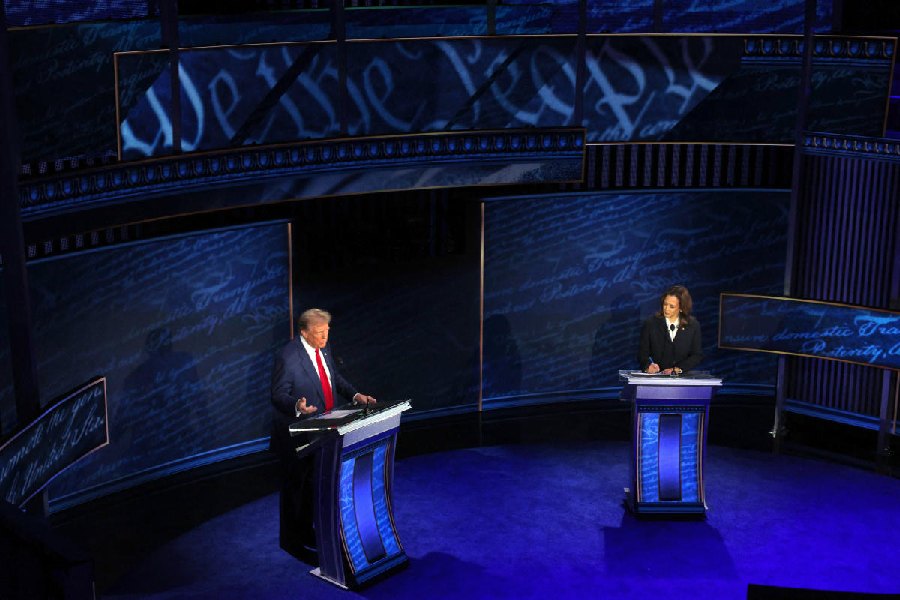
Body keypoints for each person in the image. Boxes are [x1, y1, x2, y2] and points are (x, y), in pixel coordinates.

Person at [270, 308, 376, 564]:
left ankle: (308, 532)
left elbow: (333, 377)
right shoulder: (288, 356)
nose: (324, 338)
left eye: (327, 332)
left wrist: (355, 396)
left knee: (311, 487)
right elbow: (278, 394)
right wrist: (298, 406)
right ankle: (292, 542)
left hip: (323, 430)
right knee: (295, 489)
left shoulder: (324, 348)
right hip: (297, 435)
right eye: (319, 334)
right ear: (304, 332)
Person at [637, 285, 703, 375]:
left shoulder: (693, 325)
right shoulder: (651, 324)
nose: (666, 309)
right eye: (665, 304)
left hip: (682, 378)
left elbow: (696, 355)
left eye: (671, 306)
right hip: (656, 377)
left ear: (681, 308)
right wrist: (648, 366)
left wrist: (678, 369)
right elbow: (642, 354)